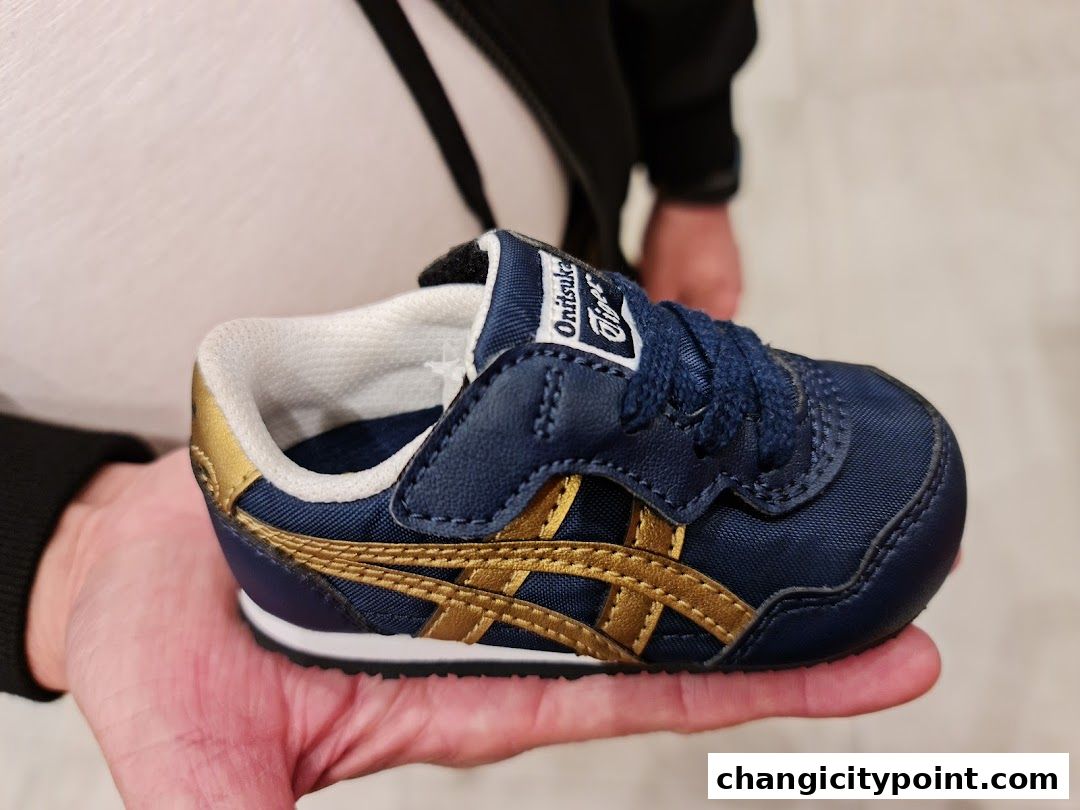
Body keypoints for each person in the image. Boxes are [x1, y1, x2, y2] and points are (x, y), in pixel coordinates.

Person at [1, 1, 943, 804]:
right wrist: (45, 537)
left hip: (562, 227)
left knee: (539, 353)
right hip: (112, 422)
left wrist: (694, 166)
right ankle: (358, 556)